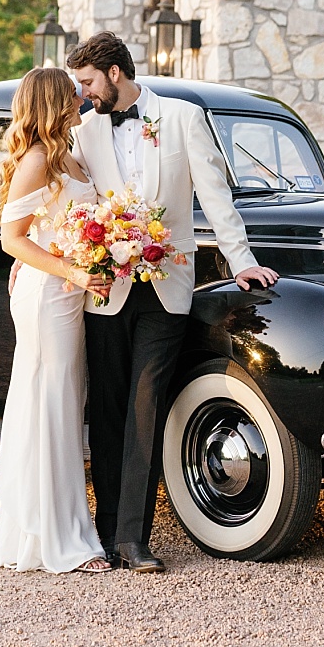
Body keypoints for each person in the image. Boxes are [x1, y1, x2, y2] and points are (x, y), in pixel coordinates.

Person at [67, 30, 279, 572]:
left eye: (89, 81)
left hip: (167, 285)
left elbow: (216, 195)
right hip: (105, 289)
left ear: (115, 72)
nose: (85, 94)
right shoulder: (86, 131)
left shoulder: (183, 118)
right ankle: (107, 534)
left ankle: (134, 539)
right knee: (110, 409)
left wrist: (242, 261)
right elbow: (66, 200)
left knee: (146, 405)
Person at [0, 67, 113, 574]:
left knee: (62, 402)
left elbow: (50, 224)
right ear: (54, 102)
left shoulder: (68, 155)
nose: (82, 96)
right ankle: (62, 539)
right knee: (51, 402)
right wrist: (70, 271)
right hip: (49, 296)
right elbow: (11, 238)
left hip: (66, 289)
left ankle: (53, 526)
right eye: (73, 92)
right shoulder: (36, 160)